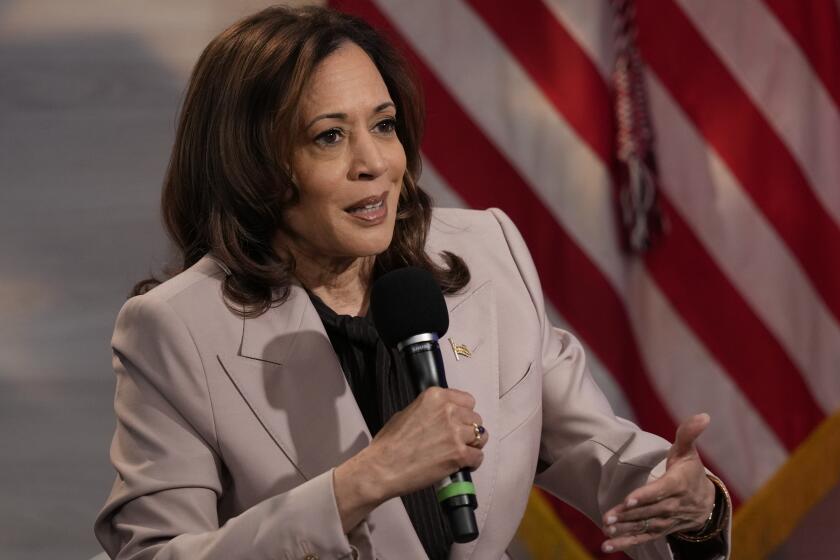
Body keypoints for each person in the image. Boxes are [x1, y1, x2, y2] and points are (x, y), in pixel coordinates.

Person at [94, 6, 731, 560]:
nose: (375, 164)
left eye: (384, 124)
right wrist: (360, 483)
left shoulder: (485, 253)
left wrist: (686, 500)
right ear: (251, 164)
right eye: (329, 137)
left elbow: (596, 450)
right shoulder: (174, 328)